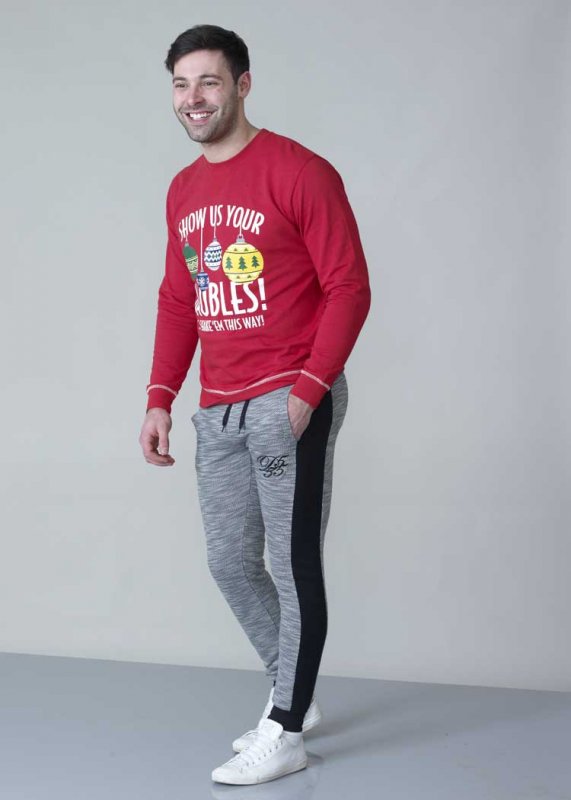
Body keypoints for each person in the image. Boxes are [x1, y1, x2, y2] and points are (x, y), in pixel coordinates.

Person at [138, 23, 371, 785]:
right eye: (181, 84)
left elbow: (348, 286)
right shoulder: (183, 189)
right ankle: (290, 695)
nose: (193, 98)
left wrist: (307, 392)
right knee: (230, 561)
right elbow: (180, 298)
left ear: (241, 85)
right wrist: (161, 397)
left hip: (286, 398)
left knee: (290, 563)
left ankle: (287, 728)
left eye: (208, 81)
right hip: (219, 407)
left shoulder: (299, 171)